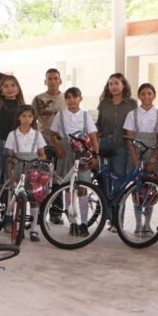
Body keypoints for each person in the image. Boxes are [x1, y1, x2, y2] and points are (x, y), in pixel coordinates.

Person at [49, 87, 99, 231]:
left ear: (80, 99)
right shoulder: (60, 115)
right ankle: (72, 222)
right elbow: (52, 135)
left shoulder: (85, 115)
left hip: (83, 152)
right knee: (67, 188)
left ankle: (84, 222)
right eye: (68, 98)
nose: (71, 100)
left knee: (83, 187)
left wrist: (95, 155)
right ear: (65, 100)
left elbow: (93, 136)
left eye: (75, 97)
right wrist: (58, 148)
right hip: (66, 152)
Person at [96, 72, 138, 226]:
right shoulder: (104, 103)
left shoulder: (131, 104)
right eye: (110, 84)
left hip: (122, 146)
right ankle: (107, 216)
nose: (113, 86)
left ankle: (117, 219)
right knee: (104, 181)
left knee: (119, 182)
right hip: (104, 145)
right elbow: (99, 124)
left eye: (116, 83)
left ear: (123, 85)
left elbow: (134, 125)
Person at [4, 105, 46, 241]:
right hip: (18, 168)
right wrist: (11, 178)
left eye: (30, 116)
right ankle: (19, 227)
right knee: (20, 200)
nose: (27, 119)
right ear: (19, 117)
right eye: (24, 116)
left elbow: (42, 153)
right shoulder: (12, 135)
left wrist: (41, 157)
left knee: (34, 199)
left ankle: (34, 229)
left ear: (33, 118)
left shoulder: (37, 135)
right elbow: (10, 157)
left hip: (33, 170)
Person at [0, 75, 25, 206]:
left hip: (13, 149)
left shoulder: (22, 106)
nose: (10, 88)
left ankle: (9, 216)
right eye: (6, 86)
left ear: (18, 89)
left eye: (13, 85)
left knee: (11, 184)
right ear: (1, 90)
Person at [32, 68, 65, 160]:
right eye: (49, 79)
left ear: (60, 81)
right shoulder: (38, 99)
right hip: (44, 141)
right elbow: (31, 121)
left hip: (63, 141)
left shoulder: (67, 98)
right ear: (45, 82)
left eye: (56, 78)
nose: (53, 82)